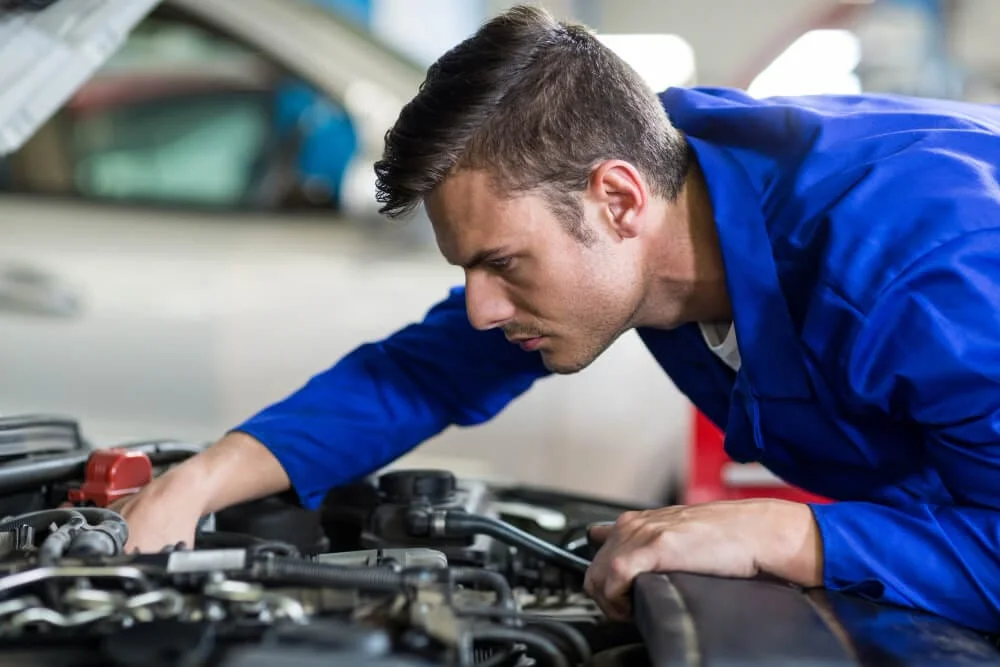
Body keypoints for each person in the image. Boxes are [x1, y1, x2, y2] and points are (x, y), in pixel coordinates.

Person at [112, 5, 1000, 632]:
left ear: (617, 199)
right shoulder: (668, 178)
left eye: (500, 263)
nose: (480, 307)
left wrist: (787, 529)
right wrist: (196, 483)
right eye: (466, 268)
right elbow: (424, 370)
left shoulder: (922, 272)